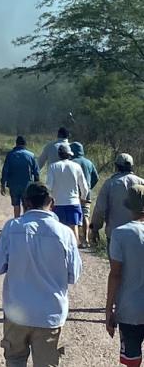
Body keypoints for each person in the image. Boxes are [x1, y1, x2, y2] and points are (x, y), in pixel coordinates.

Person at [0, 182, 81, 367]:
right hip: (50, 314)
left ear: (25, 203)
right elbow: (74, 276)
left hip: (17, 313)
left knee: (15, 360)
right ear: (52, 202)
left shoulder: (12, 228)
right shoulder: (65, 233)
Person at [106, 185, 144, 367]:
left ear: (129, 207)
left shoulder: (120, 233)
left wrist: (109, 310)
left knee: (132, 360)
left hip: (130, 310)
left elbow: (115, 274)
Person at [92, 154, 144, 247]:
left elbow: (100, 209)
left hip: (114, 233)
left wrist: (95, 228)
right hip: (139, 234)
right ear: (131, 166)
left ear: (116, 166)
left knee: (115, 261)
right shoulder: (141, 182)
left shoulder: (109, 184)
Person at [46, 144, 89, 242]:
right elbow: (84, 187)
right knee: (74, 228)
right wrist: (83, 197)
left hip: (58, 203)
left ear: (59, 154)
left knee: (58, 229)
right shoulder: (76, 166)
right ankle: (74, 252)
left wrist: (49, 201)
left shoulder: (53, 167)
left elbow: (49, 187)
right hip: (73, 202)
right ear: (70, 154)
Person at [0, 136, 40, 218]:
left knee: (16, 205)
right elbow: (36, 172)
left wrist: (3, 184)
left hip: (13, 185)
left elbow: (5, 171)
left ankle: (17, 222)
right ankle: (25, 223)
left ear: (16, 143)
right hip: (27, 185)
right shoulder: (31, 155)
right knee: (26, 206)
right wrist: (37, 185)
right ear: (25, 144)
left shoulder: (10, 155)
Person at [70, 142, 99, 248]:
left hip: (74, 194)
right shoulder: (89, 162)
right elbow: (96, 177)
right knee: (85, 215)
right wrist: (89, 187)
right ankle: (86, 239)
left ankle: (76, 239)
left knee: (75, 216)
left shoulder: (71, 162)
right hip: (87, 194)